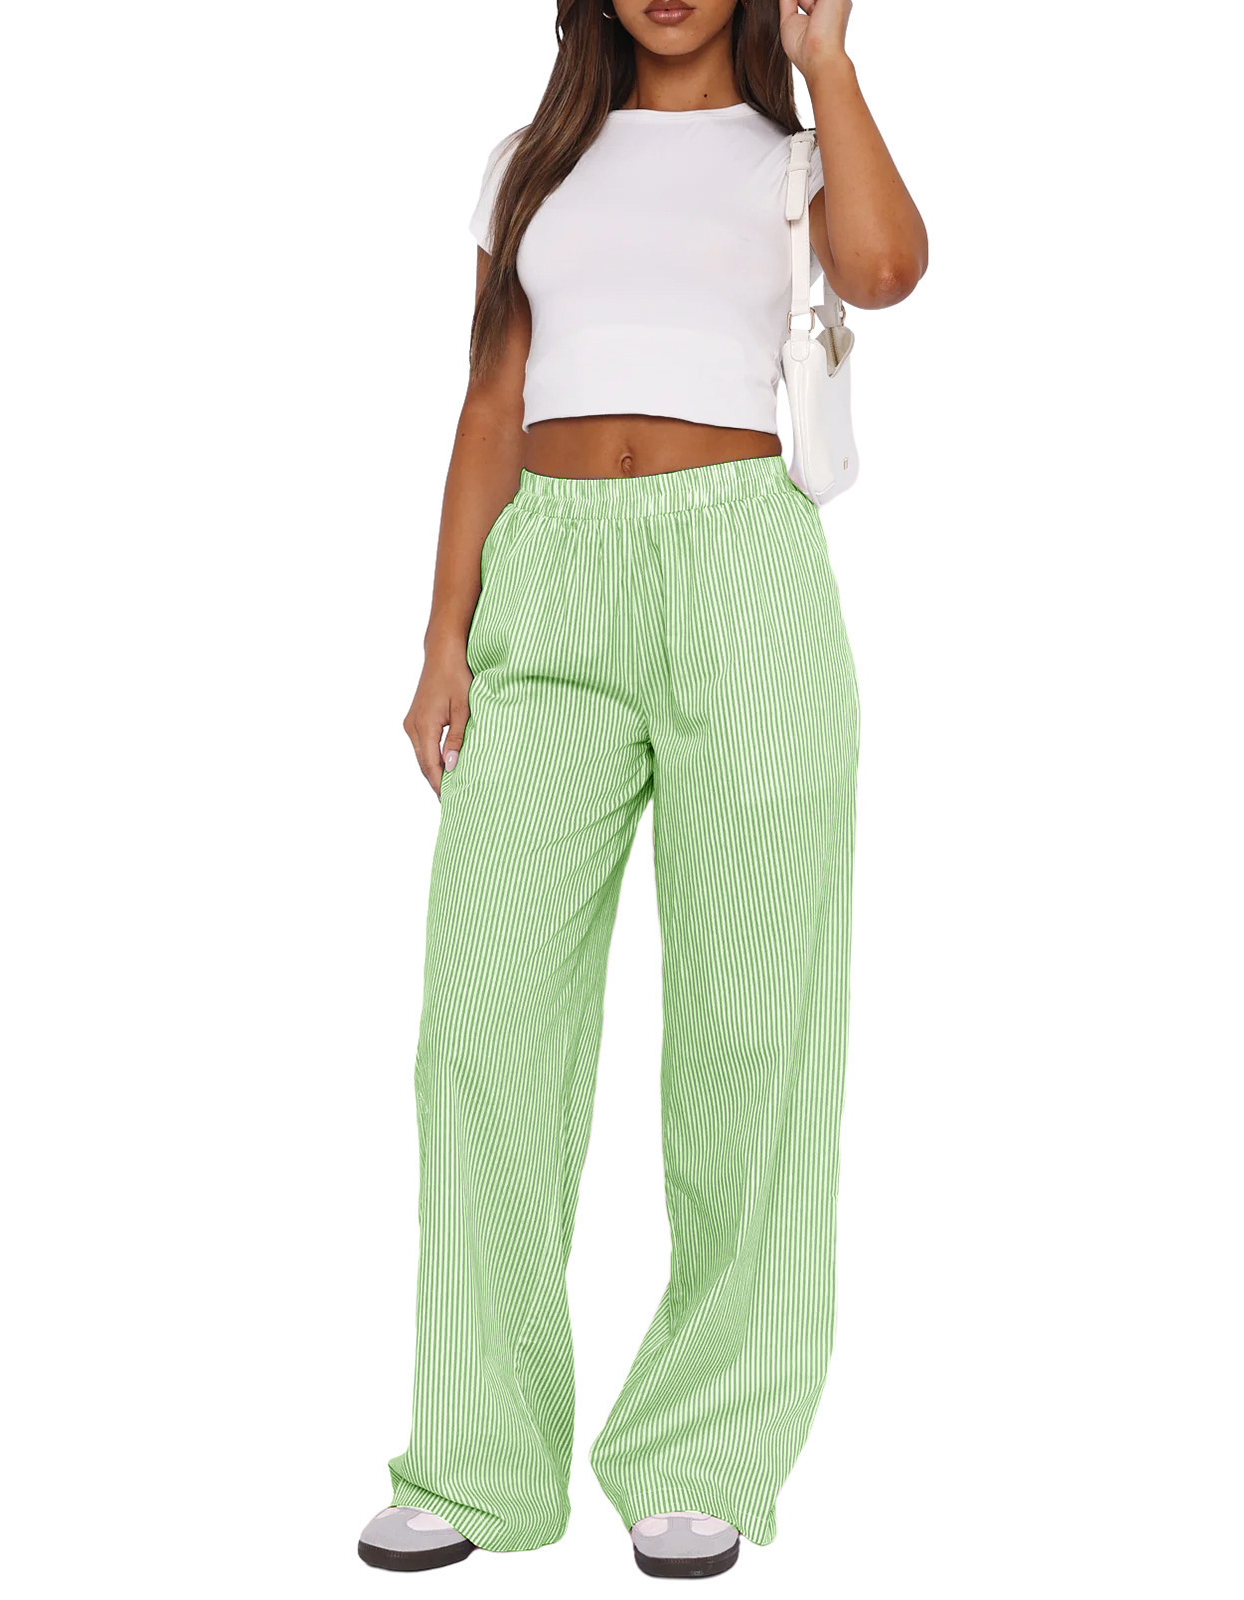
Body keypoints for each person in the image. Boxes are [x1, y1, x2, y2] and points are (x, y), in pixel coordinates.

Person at [357, 0, 925, 1579]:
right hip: (547, 584)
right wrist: (444, 634)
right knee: (484, 1029)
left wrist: (830, 65)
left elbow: (888, 271)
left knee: (753, 1034)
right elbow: (490, 403)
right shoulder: (529, 166)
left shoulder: (797, 154)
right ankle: (476, 1458)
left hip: (743, 570)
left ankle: (704, 1448)